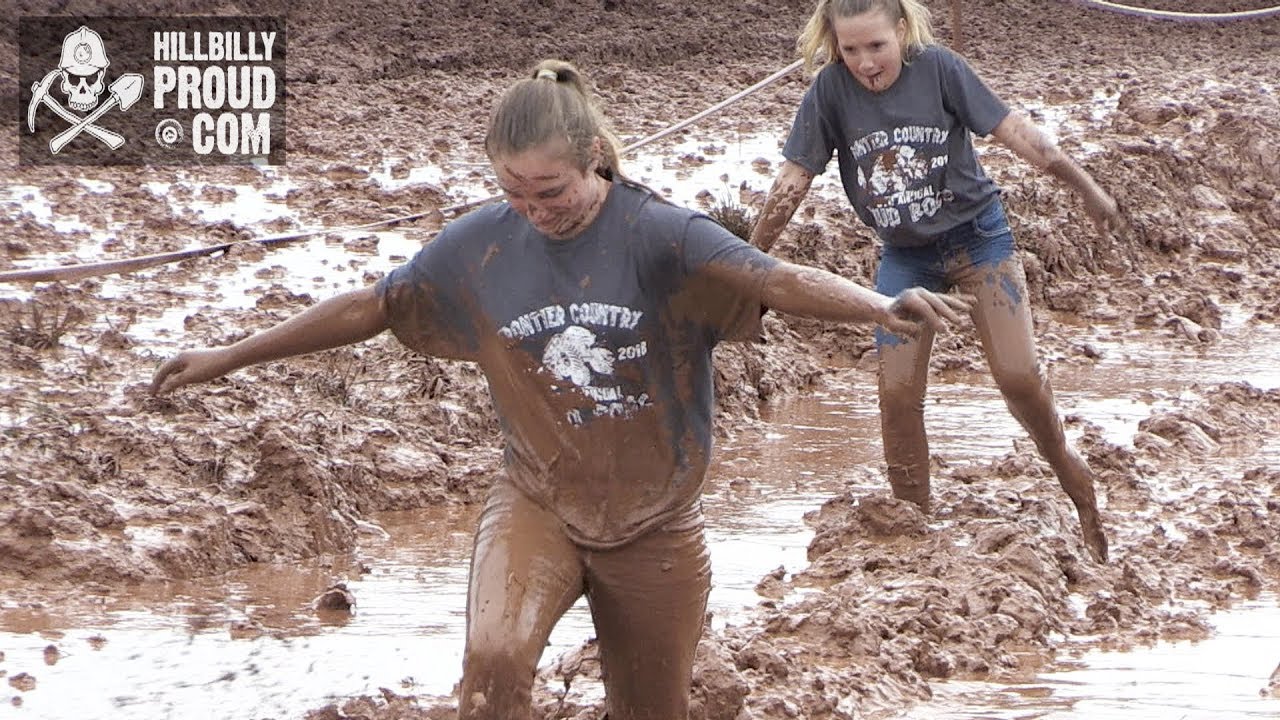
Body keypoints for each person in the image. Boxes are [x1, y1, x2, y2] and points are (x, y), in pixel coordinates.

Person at [151, 59, 966, 719]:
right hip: (536, 501)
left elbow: (772, 278)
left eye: (551, 192)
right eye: (513, 193)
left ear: (595, 161)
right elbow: (374, 305)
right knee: (493, 665)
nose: (534, 210)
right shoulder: (479, 246)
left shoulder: (661, 233)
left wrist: (879, 305)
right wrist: (229, 355)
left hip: (656, 518)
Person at [749, 0, 1117, 564]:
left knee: (1018, 376)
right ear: (834, 45)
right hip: (907, 257)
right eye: (850, 49)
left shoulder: (940, 68)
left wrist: (1085, 186)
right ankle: (914, 527)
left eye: (877, 46)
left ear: (901, 31)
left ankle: (1076, 483)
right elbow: (792, 180)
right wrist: (749, 264)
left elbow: (1013, 131)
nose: (866, 63)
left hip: (978, 241)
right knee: (896, 393)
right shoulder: (829, 92)